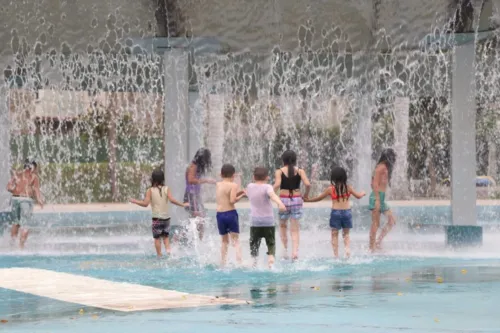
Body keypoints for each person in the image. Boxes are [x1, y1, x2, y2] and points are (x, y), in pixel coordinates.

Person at [305, 166, 365, 258]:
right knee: (346, 234)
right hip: (347, 212)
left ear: (333, 178)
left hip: (336, 212)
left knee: (334, 234)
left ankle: (336, 255)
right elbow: (358, 196)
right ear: (344, 177)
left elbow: (319, 198)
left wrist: (308, 200)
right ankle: (347, 250)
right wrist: (363, 193)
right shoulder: (348, 188)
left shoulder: (330, 189)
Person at [130, 169, 187, 257]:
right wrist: (182, 204)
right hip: (166, 219)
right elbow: (172, 200)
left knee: (157, 238)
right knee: (166, 237)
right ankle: (169, 253)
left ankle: (159, 255)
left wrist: (135, 201)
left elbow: (145, 204)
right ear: (162, 179)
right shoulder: (166, 189)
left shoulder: (150, 190)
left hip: (156, 219)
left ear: (153, 179)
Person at [273, 150, 311, 261]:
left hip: (283, 200)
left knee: (283, 226)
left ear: (283, 160)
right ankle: (294, 252)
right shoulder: (300, 171)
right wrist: (306, 195)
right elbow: (308, 184)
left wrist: (269, 193)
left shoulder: (279, 171)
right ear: (295, 160)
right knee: (295, 229)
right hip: (297, 200)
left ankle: (285, 251)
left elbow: (277, 185)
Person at [247, 167, 286, 269]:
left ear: (253, 177)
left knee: (254, 244)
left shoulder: (250, 186)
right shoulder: (268, 187)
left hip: (255, 222)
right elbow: (272, 195)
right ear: (267, 177)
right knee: (271, 243)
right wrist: (280, 203)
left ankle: (254, 263)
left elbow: (248, 194)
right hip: (268, 221)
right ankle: (271, 260)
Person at [6, 159, 44, 249]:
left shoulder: (17, 174)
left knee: (16, 223)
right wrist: (40, 200)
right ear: (33, 167)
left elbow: (8, 187)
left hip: (15, 199)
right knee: (25, 224)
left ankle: (12, 245)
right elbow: (36, 190)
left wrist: (14, 189)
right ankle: (21, 247)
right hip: (26, 200)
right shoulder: (33, 176)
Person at [215, 164, 246, 267]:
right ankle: (239, 262)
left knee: (224, 241)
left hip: (220, 215)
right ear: (233, 175)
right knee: (235, 240)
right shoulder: (233, 185)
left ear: (221, 174)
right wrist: (242, 195)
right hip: (230, 214)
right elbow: (232, 201)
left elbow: (226, 196)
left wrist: (238, 193)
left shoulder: (218, 184)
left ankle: (222, 263)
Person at [183, 148, 216, 241]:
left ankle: (199, 240)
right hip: (191, 195)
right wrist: (206, 180)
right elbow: (190, 180)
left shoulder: (196, 166)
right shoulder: (193, 166)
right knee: (199, 218)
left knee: (200, 219)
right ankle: (179, 237)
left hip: (195, 195)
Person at [369, 148, 397, 252]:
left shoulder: (384, 168)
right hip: (376, 198)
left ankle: (378, 242)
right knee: (375, 223)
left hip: (380, 198)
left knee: (392, 221)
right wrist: (377, 199)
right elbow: (374, 184)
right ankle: (371, 247)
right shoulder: (380, 167)